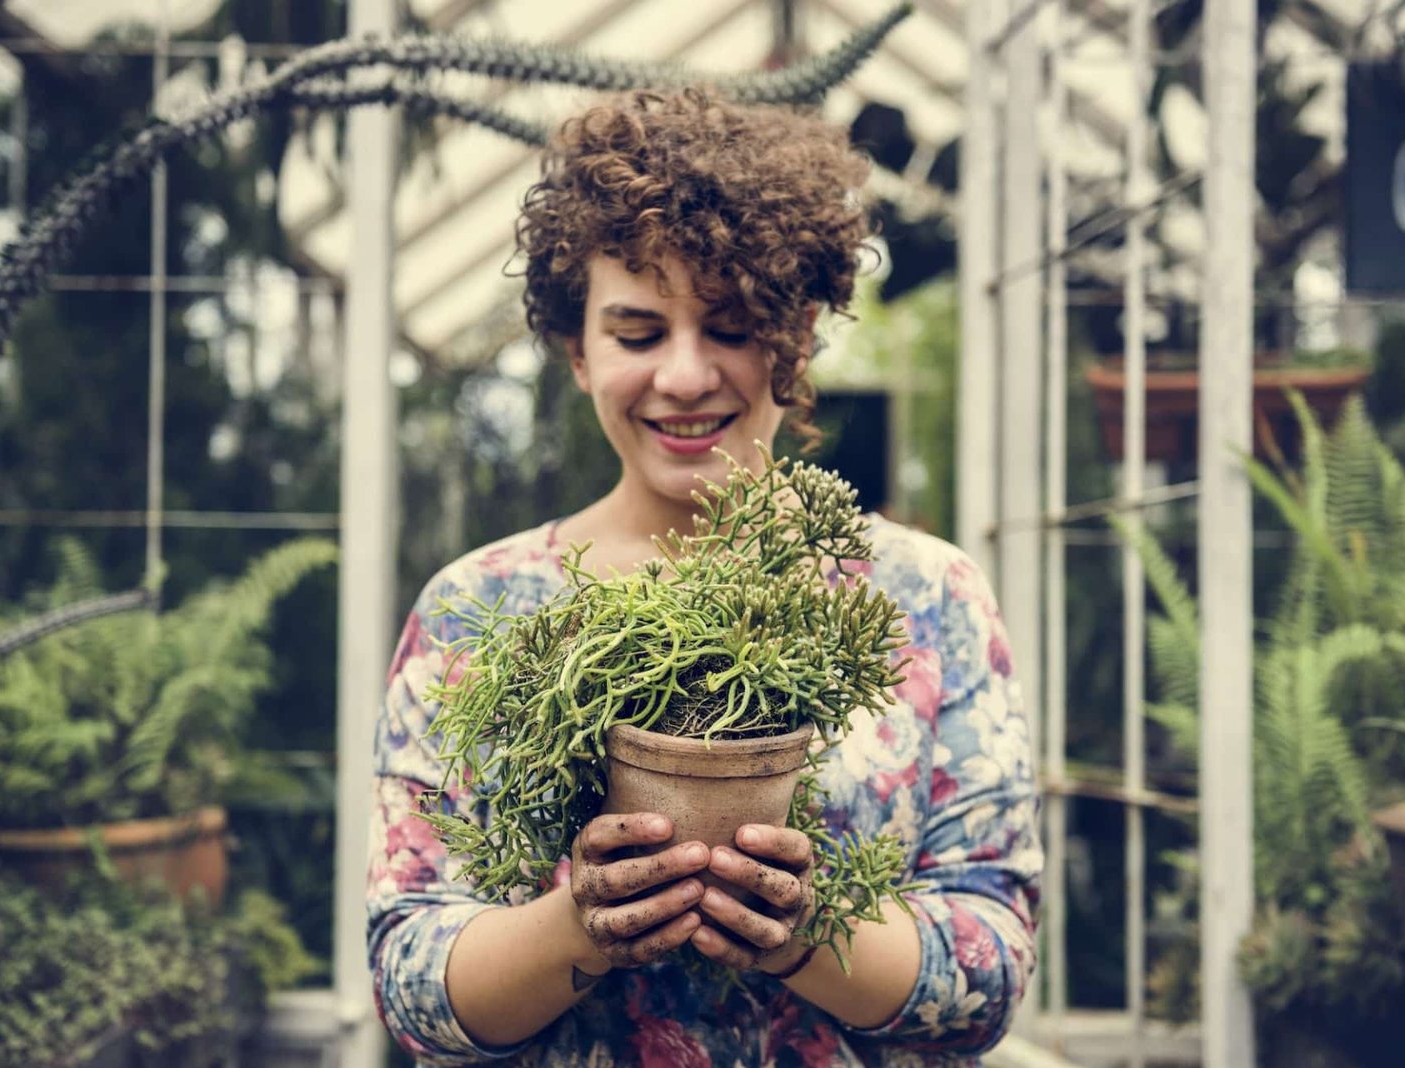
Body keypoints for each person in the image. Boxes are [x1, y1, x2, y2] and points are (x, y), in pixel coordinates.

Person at [368, 87, 1041, 1067]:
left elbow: (990, 965)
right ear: (578, 351)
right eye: (637, 334)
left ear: (799, 337)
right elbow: (410, 977)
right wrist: (579, 925)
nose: (683, 376)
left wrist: (802, 932)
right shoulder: (477, 607)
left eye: (728, 327)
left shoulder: (922, 597)